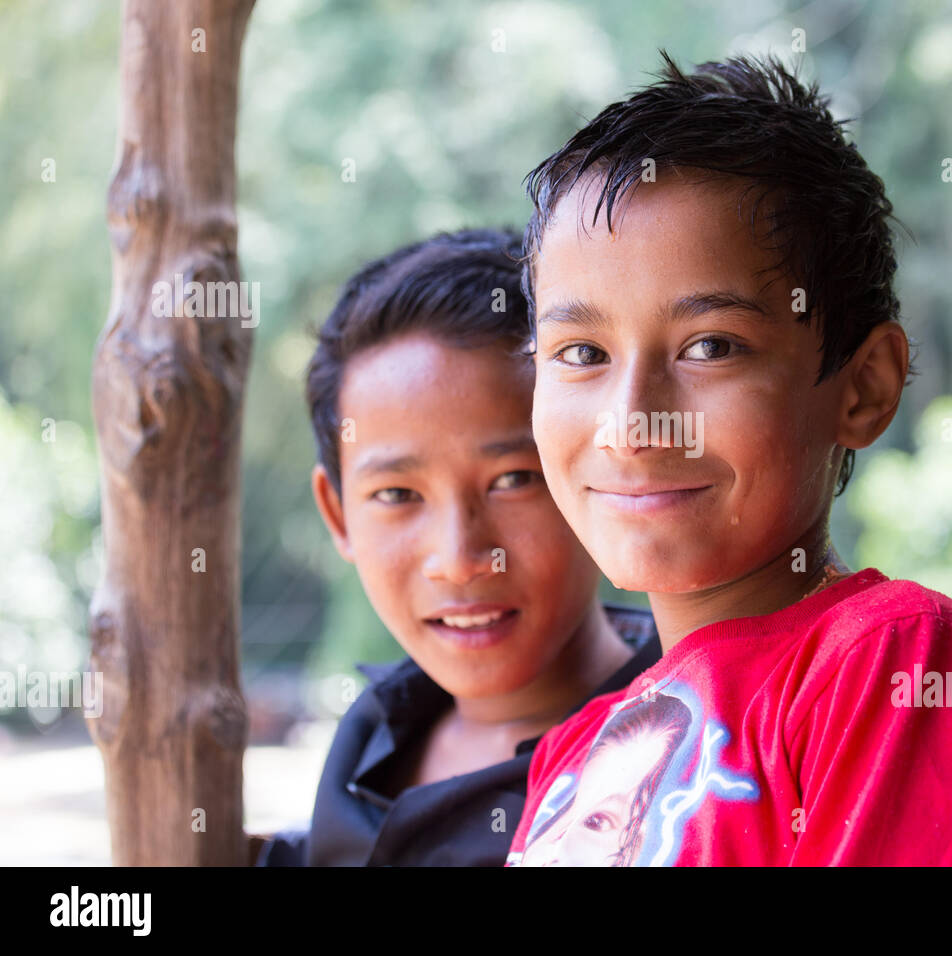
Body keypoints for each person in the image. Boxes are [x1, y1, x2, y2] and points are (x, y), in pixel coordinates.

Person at [507, 54, 952, 865]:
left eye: (711, 346)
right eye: (580, 353)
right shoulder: (572, 761)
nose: (632, 425)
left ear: (863, 387)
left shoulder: (895, 667)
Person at [257, 228, 659, 866]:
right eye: (396, 495)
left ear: (595, 472)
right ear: (337, 514)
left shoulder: (673, 749)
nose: (460, 557)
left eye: (513, 481)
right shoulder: (374, 733)